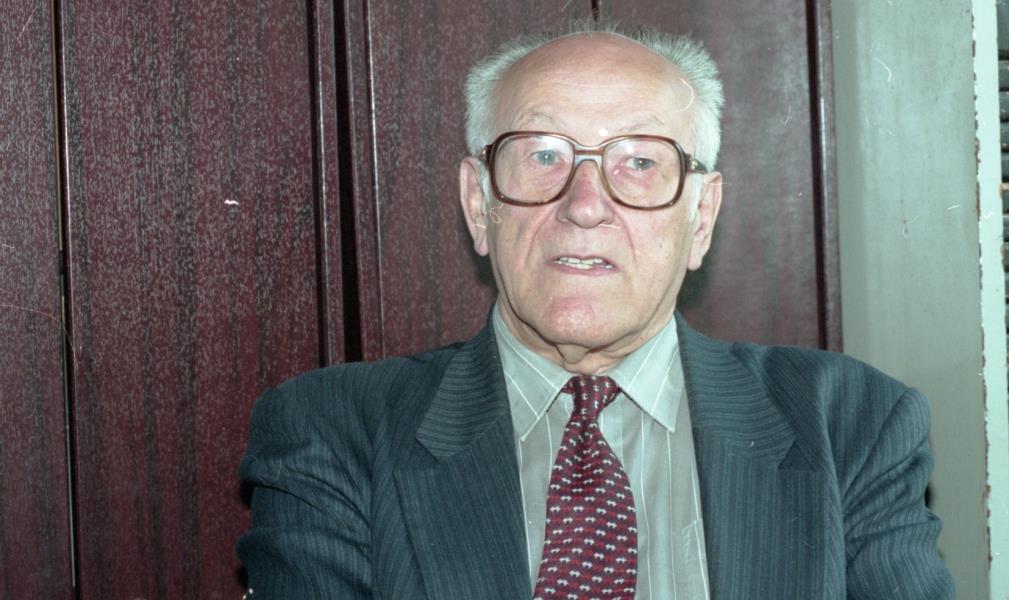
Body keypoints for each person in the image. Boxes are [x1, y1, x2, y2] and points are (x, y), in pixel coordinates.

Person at [236, 21, 954, 599]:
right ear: (478, 205)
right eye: (542, 155)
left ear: (701, 219)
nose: (584, 205)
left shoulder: (851, 426)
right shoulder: (334, 434)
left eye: (639, 162)